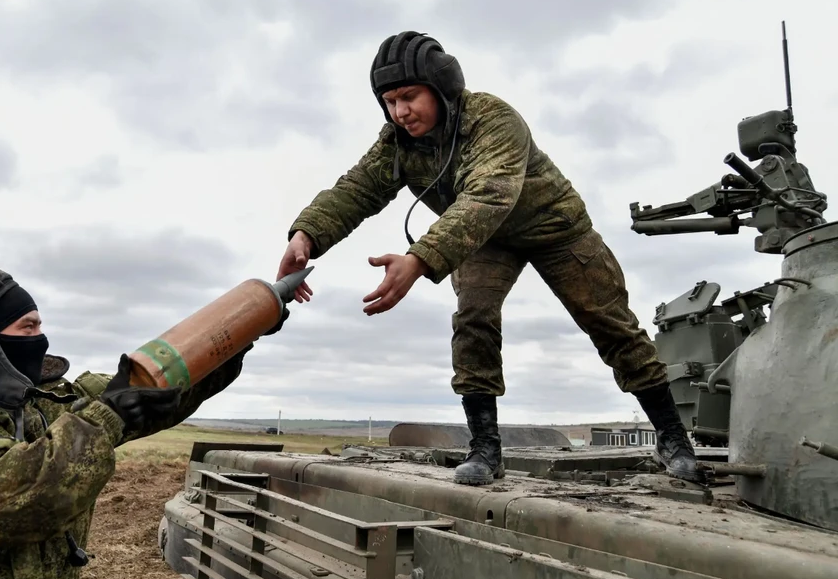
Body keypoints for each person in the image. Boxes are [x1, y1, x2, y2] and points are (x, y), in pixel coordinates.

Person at [275, 30, 700, 487]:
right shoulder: (397, 142)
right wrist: (307, 235)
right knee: (473, 319)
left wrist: (420, 259)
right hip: (485, 238)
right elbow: (356, 189)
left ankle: (673, 438)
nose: (400, 111)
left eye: (409, 96)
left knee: (609, 323)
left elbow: (489, 195)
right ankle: (485, 448)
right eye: (389, 100)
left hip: (554, 228)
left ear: (441, 87)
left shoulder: (493, 119)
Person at [0, 262, 287, 579]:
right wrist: (106, 416)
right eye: (27, 327)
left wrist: (246, 326)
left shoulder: (51, 404)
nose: (40, 338)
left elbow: (161, 392)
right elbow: (19, 500)